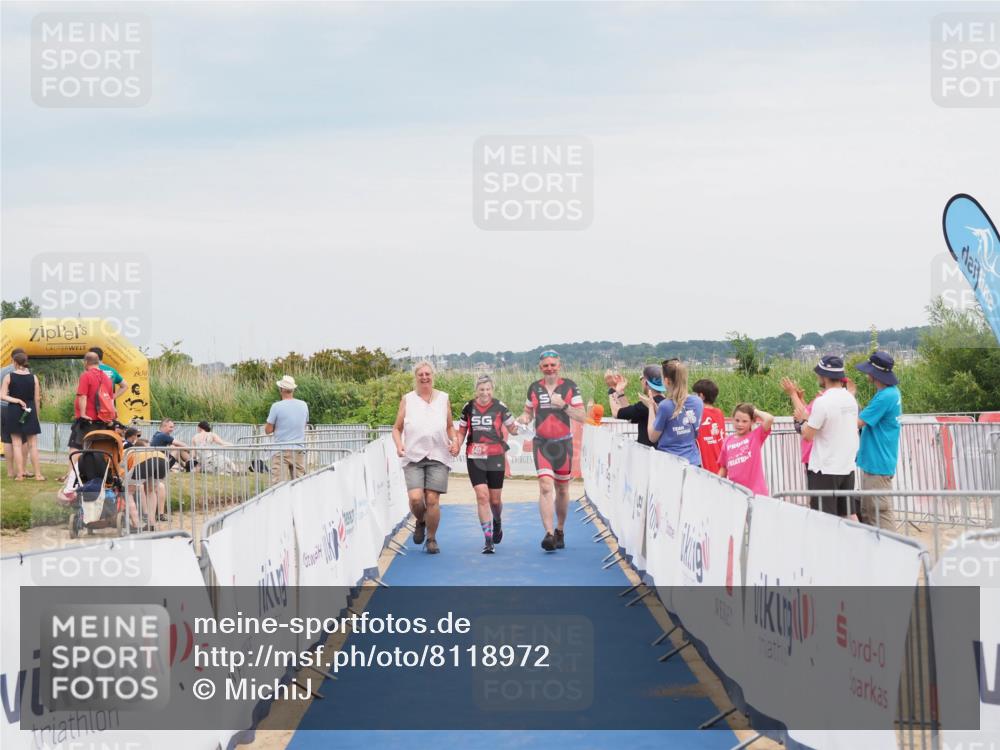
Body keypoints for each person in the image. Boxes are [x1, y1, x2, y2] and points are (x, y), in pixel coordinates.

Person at [517, 350, 587, 552]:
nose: (549, 368)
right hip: (542, 444)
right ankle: (548, 534)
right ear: (541, 367)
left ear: (559, 365)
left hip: (563, 445)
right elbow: (528, 411)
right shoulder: (534, 388)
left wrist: (563, 405)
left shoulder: (570, 387)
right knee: (546, 486)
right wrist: (524, 419)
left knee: (562, 489)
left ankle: (560, 529)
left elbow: (582, 416)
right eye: (546, 365)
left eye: (553, 365)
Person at [392, 361, 459, 555]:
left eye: (427, 374)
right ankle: (420, 521)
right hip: (413, 456)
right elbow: (396, 428)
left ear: (432, 376)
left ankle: (431, 538)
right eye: (420, 374)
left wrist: (454, 441)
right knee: (415, 499)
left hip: (438, 455)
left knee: (432, 499)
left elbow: (449, 426)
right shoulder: (408, 400)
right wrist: (399, 445)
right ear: (416, 377)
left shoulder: (443, 398)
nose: (424, 377)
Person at [790, 355, 860, 517]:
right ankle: (854, 542)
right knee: (849, 514)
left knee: (823, 518)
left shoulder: (823, 401)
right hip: (846, 466)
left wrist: (802, 420)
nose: (818, 377)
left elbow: (808, 435)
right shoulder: (850, 399)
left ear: (825, 376)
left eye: (819, 374)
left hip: (825, 468)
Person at [456, 375, 519, 554]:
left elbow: (513, 429)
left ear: (492, 390)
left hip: (495, 456)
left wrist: (519, 425)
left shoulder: (500, 407)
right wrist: (456, 444)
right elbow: (461, 431)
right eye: (481, 389)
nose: (485, 393)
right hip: (474, 456)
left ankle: (497, 520)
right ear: (476, 390)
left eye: (488, 389)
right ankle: (488, 539)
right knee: (482, 496)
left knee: (495, 500)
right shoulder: (468, 407)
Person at [855, 351, 903, 531]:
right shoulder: (889, 392)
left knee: (879, 514)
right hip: (876, 462)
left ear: (875, 374)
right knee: (869, 512)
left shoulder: (885, 396)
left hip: (878, 464)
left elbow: (859, 422)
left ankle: (894, 551)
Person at [638, 359, 704, 466]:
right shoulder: (698, 401)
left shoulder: (666, 405)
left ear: (667, 381)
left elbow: (652, 436)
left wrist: (650, 406)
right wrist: (656, 407)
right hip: (693, 461)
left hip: (671, 463)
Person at [0, 351, 44, 481]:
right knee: (33, 445)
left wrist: (17, 400)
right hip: (30, 411)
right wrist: (37, 415)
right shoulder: (34, 377)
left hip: (13, 410)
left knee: (17, 444)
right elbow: (37, 399)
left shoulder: (9, 376)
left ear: (14, 362)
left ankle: (19, 475)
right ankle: (38, 475)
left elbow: (2, 396)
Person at [718, 403, 775, 495]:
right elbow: (723, 468)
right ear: (732, 419)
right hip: (736, 493)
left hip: (756, 493)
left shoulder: (756, 436)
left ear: (752, 422)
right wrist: (717, 482)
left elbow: (769, 419)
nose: (740, 424)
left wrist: (754, 411)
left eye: (745, 421)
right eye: (737, 420)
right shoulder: (727, 441)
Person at [607, 365, 666, 447]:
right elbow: (629, 414)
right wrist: (620, 392)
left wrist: (611, 389)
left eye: (641, 379)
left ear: (646, 382)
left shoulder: (645, 405)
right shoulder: (666, 403)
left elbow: (617, 413)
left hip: (647, 455)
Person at [265, 376, 310, 483]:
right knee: (300, 484)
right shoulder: (303, 405)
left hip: (281, 450)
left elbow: (268, 430)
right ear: (293, 389)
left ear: (281, 389)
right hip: (299, 449)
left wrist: (277, 426)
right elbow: (303, 425)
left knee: (278, 485)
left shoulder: (276, 406)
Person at [2, 348, 32, 478]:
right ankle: (23, 469)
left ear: (12, 358)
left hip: (3, 407)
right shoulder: (27, 372)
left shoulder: (2, 371)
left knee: (7, 440)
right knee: (23, 440)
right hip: (21, 408)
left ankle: (10, 471)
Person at [126, 438, 168, 532]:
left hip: (143, 460)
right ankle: (151, 523)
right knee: (151, 491)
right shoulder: (152, 451)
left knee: (128, 492)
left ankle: (136, 524)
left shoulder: (129, 452)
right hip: (162, 458)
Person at [692, 379, 726, 474]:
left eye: (694, 394)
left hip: (706, 465)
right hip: (721, 465)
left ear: (701, 396)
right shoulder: (719, 413)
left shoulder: (698, 413)